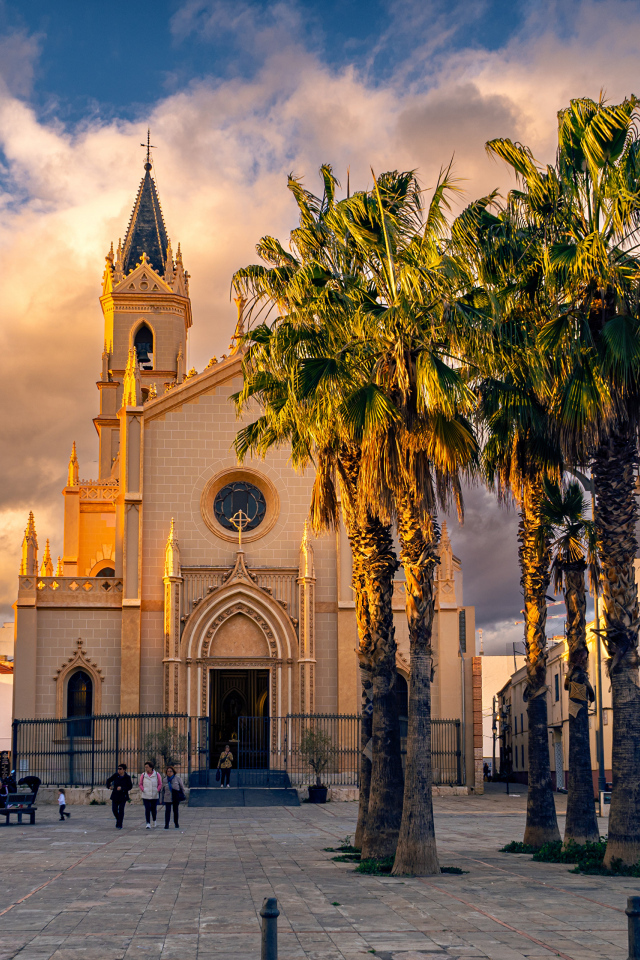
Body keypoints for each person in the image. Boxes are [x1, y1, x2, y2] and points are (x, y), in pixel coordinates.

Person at [106, 763, 133, 829]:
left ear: (124, 770)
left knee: (121, 809)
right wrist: (109, 786)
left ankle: (120, 823)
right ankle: (118, 819)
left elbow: (130, 786)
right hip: (115, 795)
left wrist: (122, 788)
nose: (119, 770)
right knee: (114, 809)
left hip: (123, 795)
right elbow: (108, 780)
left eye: (120, 769)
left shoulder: (127, 777)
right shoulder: (116, 775)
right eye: (118, 769)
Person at [139, 761, 162, 828]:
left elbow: (160, 783)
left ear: (151, 767)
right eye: (145, 767)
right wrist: (143, 789)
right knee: (147, 809)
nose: (146, 769)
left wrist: (157, 790)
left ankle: (154, 820)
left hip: (154, 794)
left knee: (153, 809)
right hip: (146, 795)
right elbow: (140, 784)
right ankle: (148, 823)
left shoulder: (157, 774)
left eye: (147, 767)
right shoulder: (143, 775)